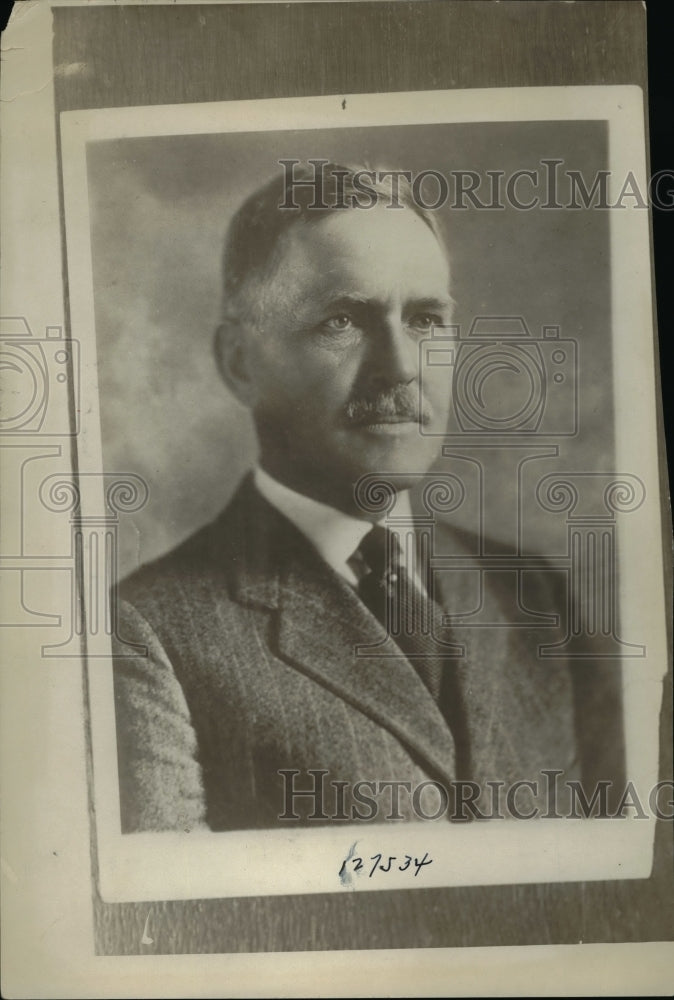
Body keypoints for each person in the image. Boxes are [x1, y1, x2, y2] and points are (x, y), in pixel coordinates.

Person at [112, 163, 623, 832]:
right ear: (241, 363)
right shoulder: (148, 634)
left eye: (426, 319)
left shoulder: (536, 598)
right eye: (342, 320)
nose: (402, 366)